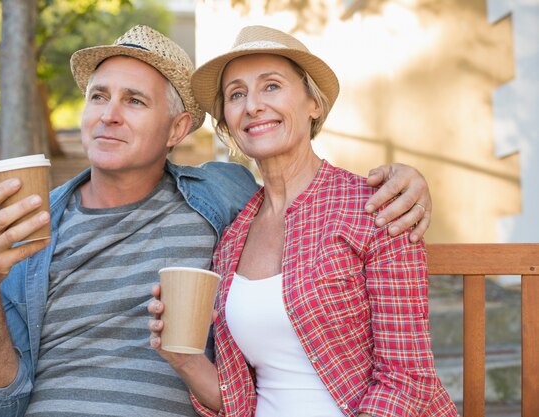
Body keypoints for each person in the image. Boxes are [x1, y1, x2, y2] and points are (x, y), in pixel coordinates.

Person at [0, 25, 432, 417]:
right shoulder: (31, 223)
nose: (109, 116)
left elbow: (408, 379)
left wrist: (409, 180)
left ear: (179, 129)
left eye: (135, 101)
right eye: (99, 97)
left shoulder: (221, 200)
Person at [148, 25, 458, 417]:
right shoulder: (233, 236)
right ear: (227, 121)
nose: (253, 105)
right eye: (237, 94)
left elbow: (408, 380)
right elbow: (241, 402)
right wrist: (185, 359)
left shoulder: (377, 206)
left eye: (272, 86)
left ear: (314, 102)